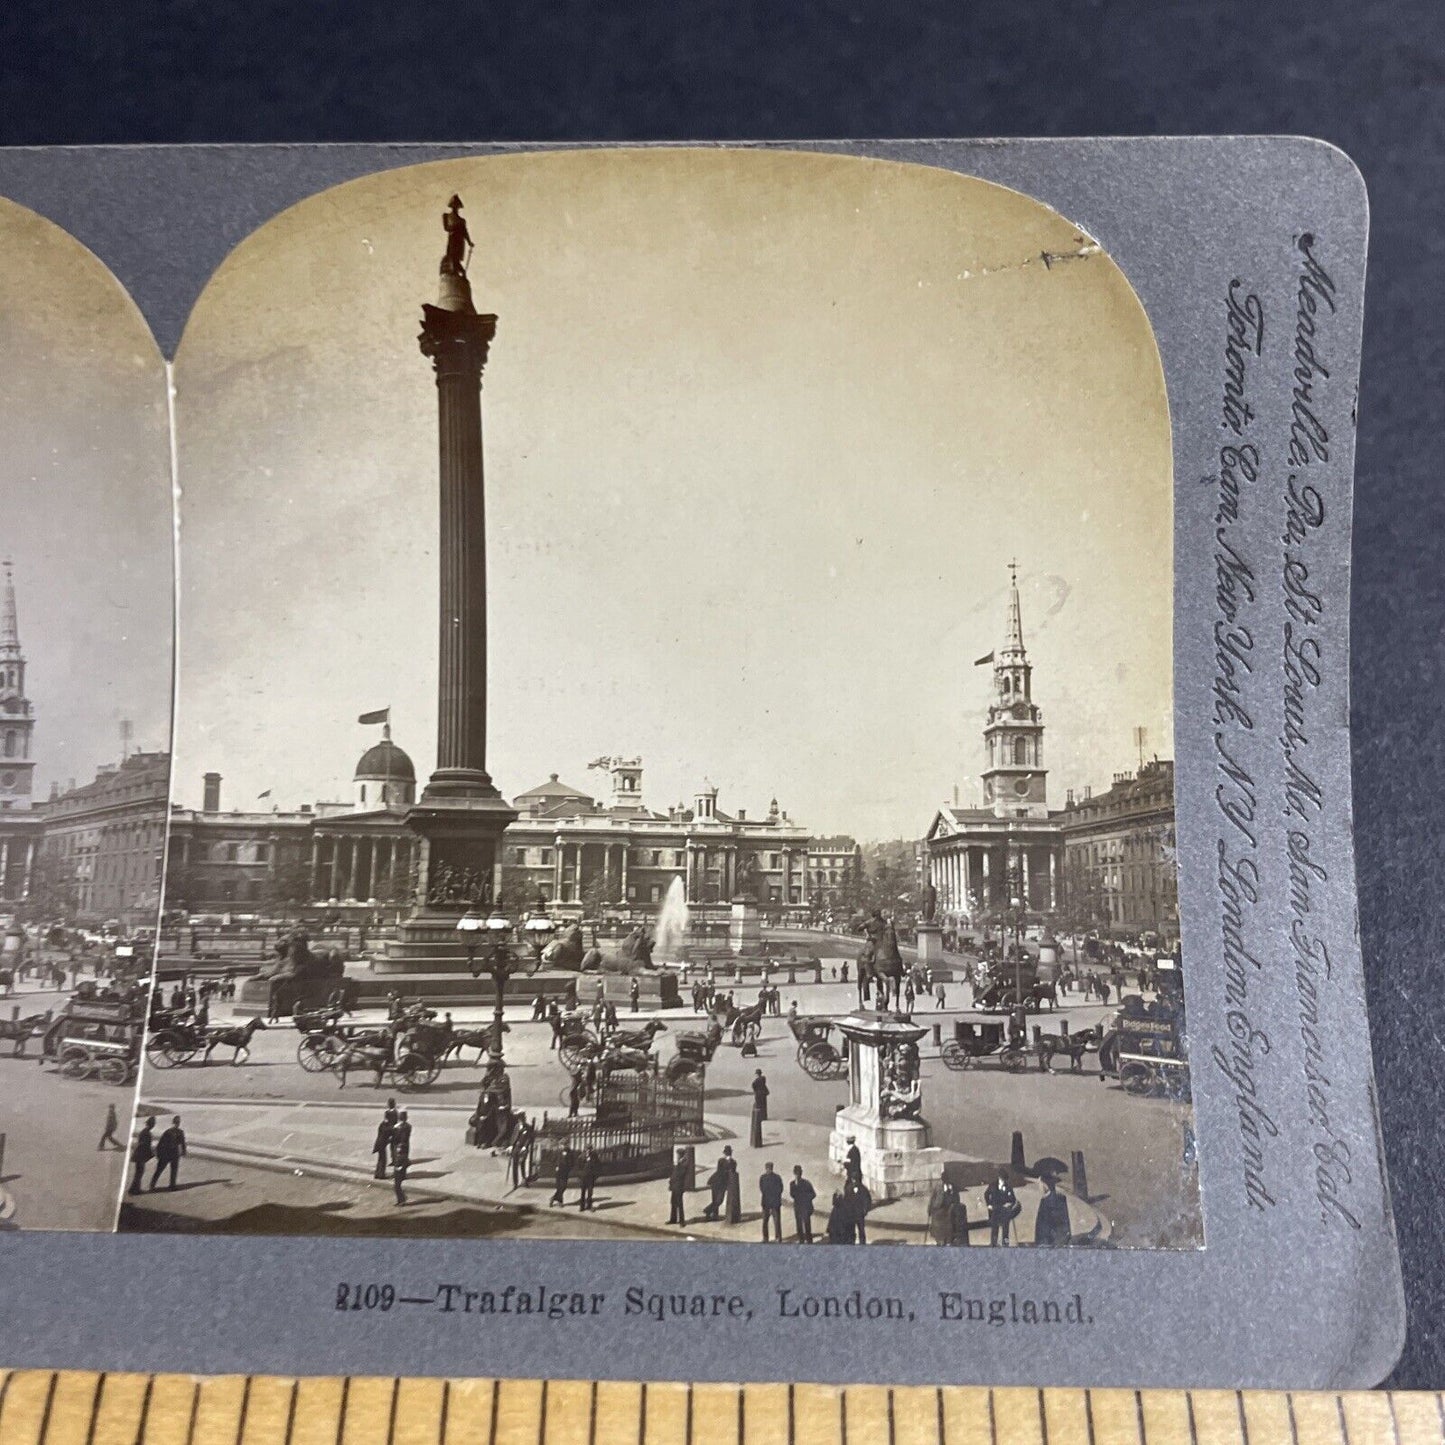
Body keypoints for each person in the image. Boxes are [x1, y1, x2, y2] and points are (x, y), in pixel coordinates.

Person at [150, 1114, 187, 1191]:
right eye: (176, 1123)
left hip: (173, 1153)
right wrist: (158, 1153)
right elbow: (161, 1143)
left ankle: (172, 1185)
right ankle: (153, 1184)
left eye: (178, 1123)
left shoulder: (178, 1132)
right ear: (173, 1123)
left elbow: (182, 1143)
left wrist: (183, 1151)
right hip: (167, 1153)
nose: (176, 1124)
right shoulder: (169, 1132)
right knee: (160, 1169)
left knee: (173, 1169)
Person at [1034, 1174, 1072, 1247]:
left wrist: (1043, 1244)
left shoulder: (1053, 1201)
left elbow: (1052, 1226)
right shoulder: (1047, 1199)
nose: (1039, 1187)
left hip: (1051, 1245)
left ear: (1045, 1186)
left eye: (1040, 1184)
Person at [985, 1169, 1020, 1246]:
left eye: (1004, 1180)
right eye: (1002, 1179)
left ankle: (1006, 1244)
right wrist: (988, 1204)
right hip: (995, 1210)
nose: (1003, 1181)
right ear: (999, 1178)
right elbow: (986, 1194)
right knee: (994, 1228)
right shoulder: (993, 1185)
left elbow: (1013, 1199)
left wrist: (1009, 1205)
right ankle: (993, 1244)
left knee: (1005, 1230)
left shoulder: (1008, 1187)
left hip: (1005, 1211)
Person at [789, 1165, 816, 1243]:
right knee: (799, 1224)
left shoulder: (806, 1183)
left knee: (806, 1224)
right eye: (796, 1173)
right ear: (794, 1174)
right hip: (798, 1207)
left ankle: (809, 1240)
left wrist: (805, 1199)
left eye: (799, 1173)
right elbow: (792, 1194)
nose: (797, 1175)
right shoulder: (792, 1184)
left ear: (801, 1174)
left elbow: (813, 1194)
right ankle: (801, 1239)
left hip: (805, 1207)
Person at [128, 1116, 155, 1194]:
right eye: (152, 1125)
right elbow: (145, 1145)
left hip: (139, 1154)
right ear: (150, 1125)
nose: (152, 1126)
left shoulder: (144, 1131)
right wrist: (151, 1152)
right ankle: (134, 1190)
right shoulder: (146, 1133)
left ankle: (134, 1189)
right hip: (140, 1155)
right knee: (139, 1172)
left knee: (139, 1172)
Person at [373, 1098, 399, 1177]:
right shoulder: (395, 1113)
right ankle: (381, 1174)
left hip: (380, 1143)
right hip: (384, 1141)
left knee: (381, 1158)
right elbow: (393, 1126)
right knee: (383, 1159)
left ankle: (378, 1174)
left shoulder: (383, 1124)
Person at [391, 1110, 412, 1206]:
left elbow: (395, 1139)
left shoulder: (399, 1128)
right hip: (403, 1153)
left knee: (396, 1184)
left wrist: (396, 1129)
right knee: (397, 1183)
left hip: (400, 1157)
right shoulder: (408, 1126)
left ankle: (402, 1199)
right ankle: (401, 1199)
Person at [759, 1163, 784, 1242]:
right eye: (767, 1168)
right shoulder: (763, 1178)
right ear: (766, 1168)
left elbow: (780, 1190)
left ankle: (778, 1237)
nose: (768, 1170)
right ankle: (766, 1237)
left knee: (776, 1222)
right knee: (765, 1222)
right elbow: (762, 1189)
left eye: (769, 1168)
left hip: (773, 1204)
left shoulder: (776, 1178)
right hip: (767, 1203)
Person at [668, 1152, 689, 1225]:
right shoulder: (679, 1163)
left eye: (677, 1155)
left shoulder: (684, 1163)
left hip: (679, 1186)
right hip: (675, 1186)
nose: (676, 1156)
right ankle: (673, 1219)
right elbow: (674, 1174)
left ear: (680, 1155)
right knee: (673, 1202)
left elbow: (681, 1174)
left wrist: (678, 1164)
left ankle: (681, 1221)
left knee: (679, 1203)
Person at [853, 1178, 873, 1243]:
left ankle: (862, 1242)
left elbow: (868, 1200)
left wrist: (865, 1210)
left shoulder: (863, 1189)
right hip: (851, 1212)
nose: (854, 1181)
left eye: (855, 1180)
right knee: (851, 1228)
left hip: (860, 1212)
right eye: (853, 1180)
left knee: (861, 1228)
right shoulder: (849, 1188)